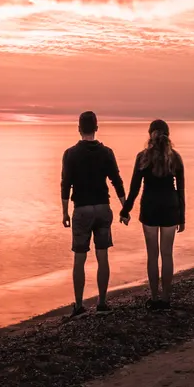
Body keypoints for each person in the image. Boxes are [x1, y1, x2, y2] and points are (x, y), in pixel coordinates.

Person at [61, 111, 126, 318]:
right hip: (102, 208)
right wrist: (125, 207)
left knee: (79, 258)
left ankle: (79, 305)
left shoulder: (70, 154)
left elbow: (65, 185)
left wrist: (64, 212)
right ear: (96, 128)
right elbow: (117, 181)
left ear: (79, 129)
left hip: (82, 209)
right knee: (102, 255)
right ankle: (102, 302)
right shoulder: (106, 152)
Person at [121, 119, 185, 309]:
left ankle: (155, 298)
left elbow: (134, 188)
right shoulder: (176, 158)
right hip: (170, 209)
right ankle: (166, 299)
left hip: (149, 208)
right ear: (168, 135)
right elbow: (181, 190)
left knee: (152, 255)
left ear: (150, 135)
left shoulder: (143, 157)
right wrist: (182, 217)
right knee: (167, 254)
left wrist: (125, 211)